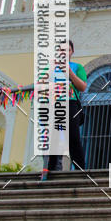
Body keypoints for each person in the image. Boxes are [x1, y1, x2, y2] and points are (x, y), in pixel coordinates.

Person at [41, 39, 87, 180]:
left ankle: (80, 170)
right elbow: (41, 85)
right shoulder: (49, 67)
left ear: (72, 52)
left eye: (67, 50)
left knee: (73, 137)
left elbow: (82, 87)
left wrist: (69, 72)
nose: (64, 52)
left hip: (71, 104)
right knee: (53, 138)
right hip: (54, 105)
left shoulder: (77, 67)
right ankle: (50, 170)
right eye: (61, 50)